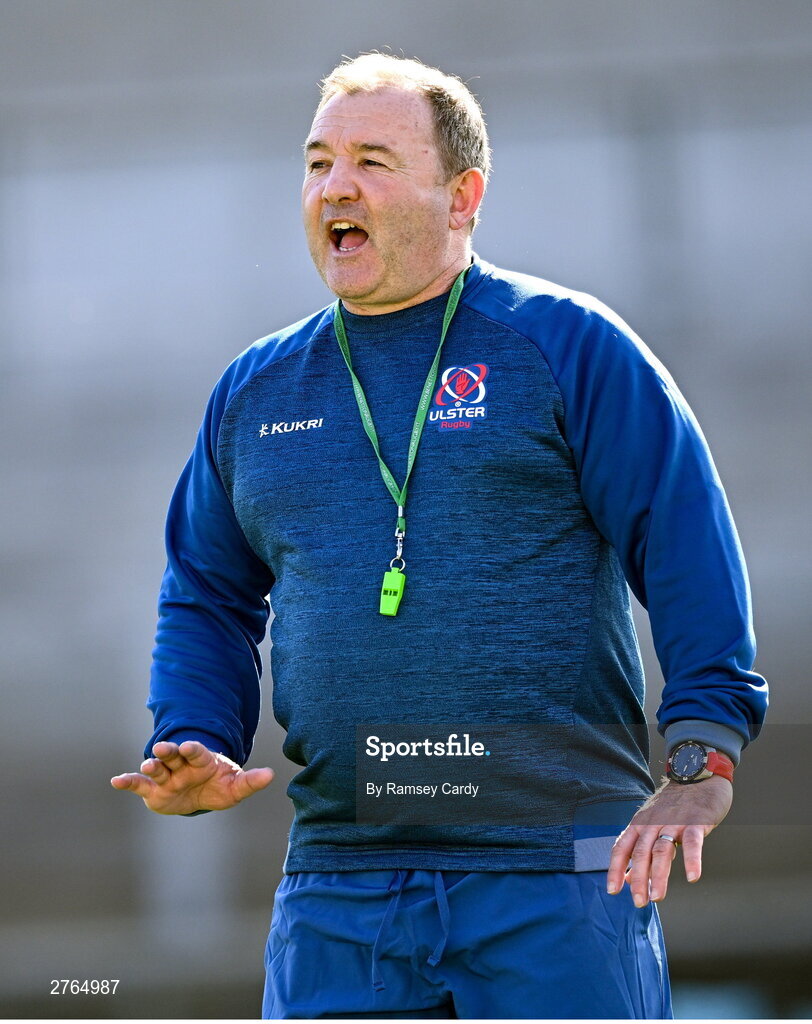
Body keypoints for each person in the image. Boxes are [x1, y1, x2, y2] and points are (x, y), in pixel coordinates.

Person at [111, 53, 768, 1019]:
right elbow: (206, 590)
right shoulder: (256, 391)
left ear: (462, 197)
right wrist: (195, 732)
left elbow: (683, 541)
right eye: (318, 162)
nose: (336, 185)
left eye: (373, 160)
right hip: (341, 880)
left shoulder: (568, 344)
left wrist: (703, 756)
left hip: (554, 873)